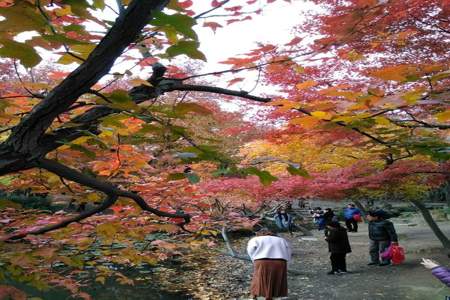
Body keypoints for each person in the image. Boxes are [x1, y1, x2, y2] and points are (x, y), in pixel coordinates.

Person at [247, 228, 292, 300]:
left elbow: (250, 250)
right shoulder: (282, 240)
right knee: (277, 279)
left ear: (260, 233)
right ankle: (272, 296)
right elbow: (288, 252)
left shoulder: (255, 239)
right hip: (280, 262)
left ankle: (254, 296)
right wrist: (287, 261)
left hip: (261, 261)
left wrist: (254, 259)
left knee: (258, 278)